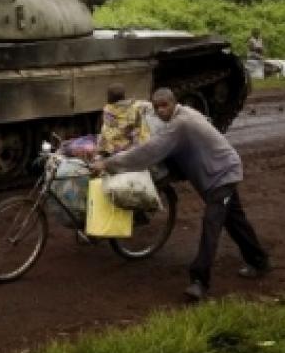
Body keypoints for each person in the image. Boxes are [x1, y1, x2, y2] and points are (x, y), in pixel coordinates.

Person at [91, 87, 271, 300]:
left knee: (212, 224)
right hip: (215, 173)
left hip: (222, 176)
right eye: (157, 107)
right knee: (235, 221)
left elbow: (149, 151)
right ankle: (259, 261)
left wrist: (108, 164)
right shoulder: (180, 116)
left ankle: (199, 281)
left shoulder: (180, 124)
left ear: (174, 103)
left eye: (165, 105)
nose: (161, 110)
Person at [97, 83, 151, 156]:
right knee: (141, 128)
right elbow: (149, 106)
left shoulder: (107, 109)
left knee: (105, 129)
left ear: (109, 97)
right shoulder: (134, 106)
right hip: (128, 138)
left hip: (112, 141)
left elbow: (108, 125)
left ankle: (105, 152)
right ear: (124, 95)